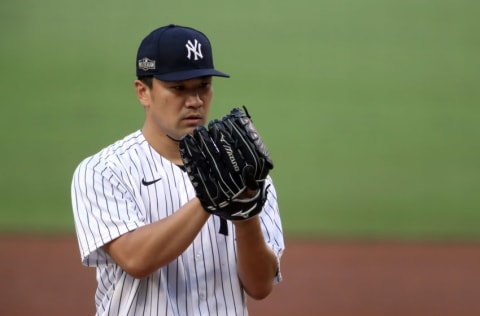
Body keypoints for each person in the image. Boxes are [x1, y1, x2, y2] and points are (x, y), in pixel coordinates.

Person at [71, 24, 284, 316]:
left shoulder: (245, 171)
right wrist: (209, 199)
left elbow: (261, 287)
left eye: (203, 86)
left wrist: (245, 213)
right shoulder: (103, 171)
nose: (195, 100)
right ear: (143, 92)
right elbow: (135, 259)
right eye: (179, 88)